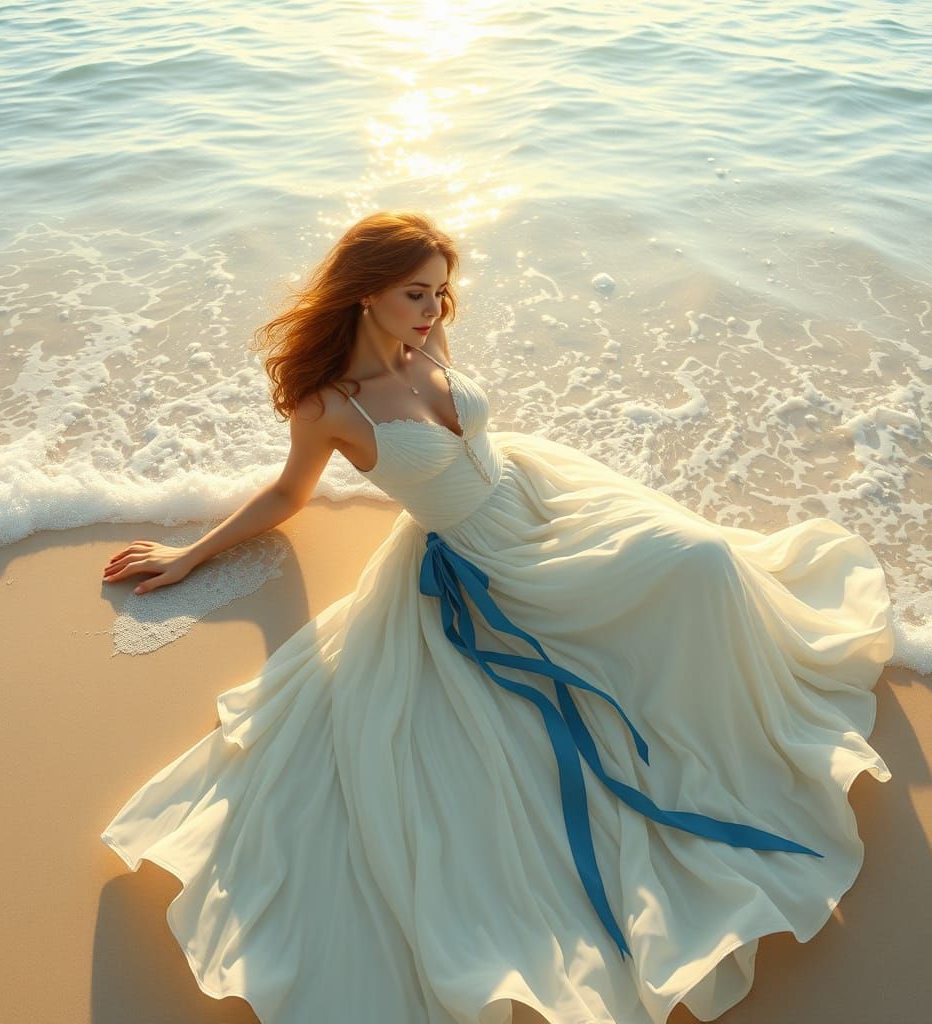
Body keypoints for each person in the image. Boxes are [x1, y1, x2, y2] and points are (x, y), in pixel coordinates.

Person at [100, 210, 895, 1024]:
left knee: (708, 558)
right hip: (488, 559)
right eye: (416, 293)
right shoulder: (329, 406)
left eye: (442, 293)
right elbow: (286, 494)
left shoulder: (426, 346)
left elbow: (468, 429)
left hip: (541, 495)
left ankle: (747, 700)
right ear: (365, 292)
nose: (434, 310)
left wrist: (434, 333)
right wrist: (190, 555)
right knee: (678, 585)